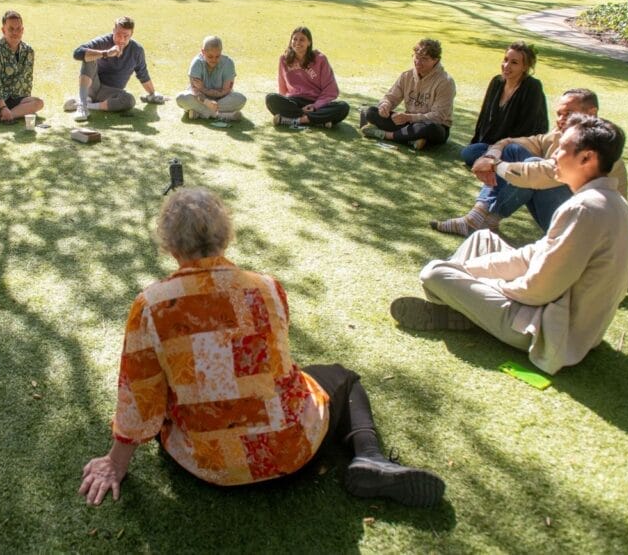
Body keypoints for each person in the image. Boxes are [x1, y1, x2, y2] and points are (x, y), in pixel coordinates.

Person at [79, 187, 445, 508]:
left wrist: (116, 462)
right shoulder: (268, 288)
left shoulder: (152, 305)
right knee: (341, 378)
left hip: (209, 468)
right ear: (225, 237)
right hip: (291, 456)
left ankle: (366, 457)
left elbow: (140, 395)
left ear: (170, 246)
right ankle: (370, 456)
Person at [393, 116, 628, 375]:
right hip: (555, 311)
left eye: (562, 148)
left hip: (549, 329)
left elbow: (539, 288)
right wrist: (469, 271)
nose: (553, 156)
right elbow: (535, 254)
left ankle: (465, 311)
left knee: (434, 273)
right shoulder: (609, 200)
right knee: (482, 238)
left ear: (586, 158)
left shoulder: (585, 208)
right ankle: (467, 311)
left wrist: (483, 284)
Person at [431, 89, 628, 236]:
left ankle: (485, 220)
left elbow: (544, 173)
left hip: (586, 228)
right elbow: (514, 143)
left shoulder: (601, 142)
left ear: (592, 112)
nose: (561, 119)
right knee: (512, 151)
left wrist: (495, 165)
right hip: (572, 214)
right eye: (559, 114)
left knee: (533, 168)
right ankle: (479, 216)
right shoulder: (561, 134)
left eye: (568, 114)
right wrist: (492, 156)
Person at [461, 41, 547, 166]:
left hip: (518, 145)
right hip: (492, 144)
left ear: (525, 67)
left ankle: (496, 162)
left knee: (511, 153)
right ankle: (495, 161)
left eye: (514, 63)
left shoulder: (532, 87)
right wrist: (477, 142)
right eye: (506, 60)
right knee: (468, 152)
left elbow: (528, 127)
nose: (506, 66)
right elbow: (484, 116)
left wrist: (501, 146)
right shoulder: (497, 82)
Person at [359, 39, 455, 150]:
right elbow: (391, 97)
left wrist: (410, 117)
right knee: (371, 112)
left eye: (424, 59)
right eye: (417, 57)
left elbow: (438, 116)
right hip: (407, 123)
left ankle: (386, 135)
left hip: (432, 125)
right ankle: (412, 140)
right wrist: (385, 106)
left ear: (435, 60)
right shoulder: (407, 76)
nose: (418, 62)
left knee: (430, 128)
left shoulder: (445, 82)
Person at [65, 16, 161, 122]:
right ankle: (82, 106)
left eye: (126, 36)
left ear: (131, 34)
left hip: (111, 93)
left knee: (129, 100)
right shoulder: (102, 41)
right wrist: (106, 53)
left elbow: (143, 74)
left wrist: (152, 93)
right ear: (113, 30)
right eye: (118, 34)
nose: (122, 39)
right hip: (93, 87)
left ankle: (87, 105)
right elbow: (77, 53)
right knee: (89, 58)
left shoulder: (136, 50)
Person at [266, 26, 349, 129]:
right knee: (271, 99)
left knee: (343, 107)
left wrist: (315, 106)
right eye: (295, 39)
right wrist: (284, 104)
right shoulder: (284, 59)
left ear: (309, 42)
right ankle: (318, 121)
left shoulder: (320, 59)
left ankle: (297, 120)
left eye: (302, 40)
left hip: (316, 102)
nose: (297, 42)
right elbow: (282, 86)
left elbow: (330, 90)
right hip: (295, 102)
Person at [175, 36, 247, 122]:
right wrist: (206, 102)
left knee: (241, 99)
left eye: (217, 56)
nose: (214, 60)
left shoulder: (228, 63)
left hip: (222, 99)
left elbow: (226, 90)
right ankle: (220, 115)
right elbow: (195, 90)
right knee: (181, 98)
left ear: (221, 52)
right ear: (203, 52)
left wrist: (203, 89)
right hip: (200, 99)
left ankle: (199, 113)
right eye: (210, 56)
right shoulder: (196, 63)